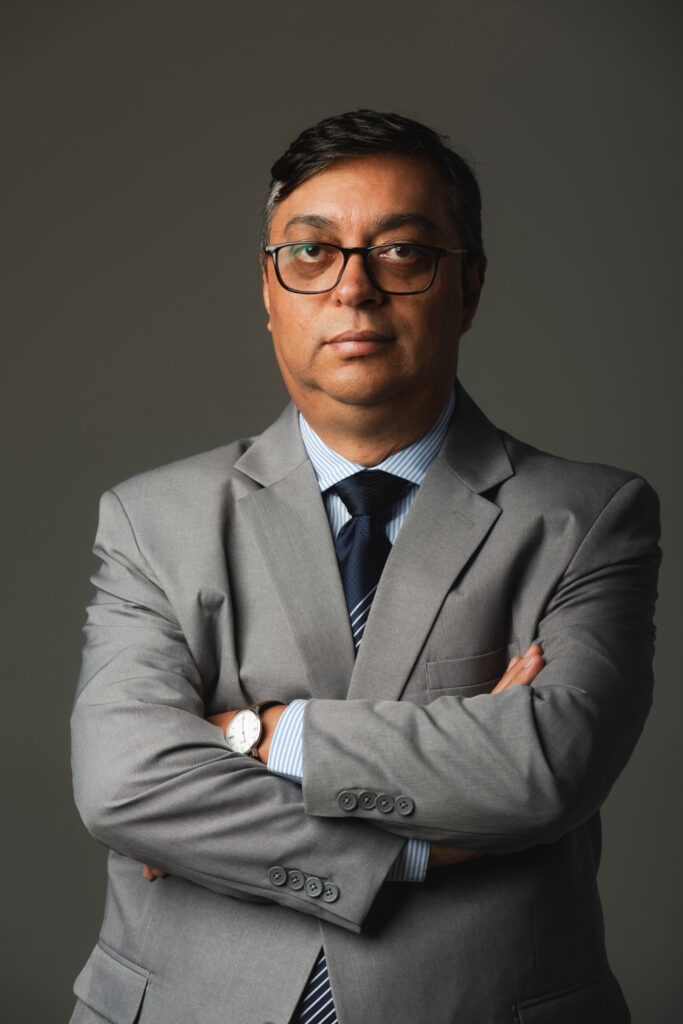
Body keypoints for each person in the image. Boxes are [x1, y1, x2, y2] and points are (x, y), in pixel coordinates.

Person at [69, 109, 660, 1024]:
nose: (353, 288)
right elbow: (124, 782)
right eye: (310, 253)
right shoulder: (152, 521)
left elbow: (545, 766)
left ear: (468, 287)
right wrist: (417, 848)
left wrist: (263, 736)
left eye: (400, 253)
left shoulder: (588, 518)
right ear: (269, 290)